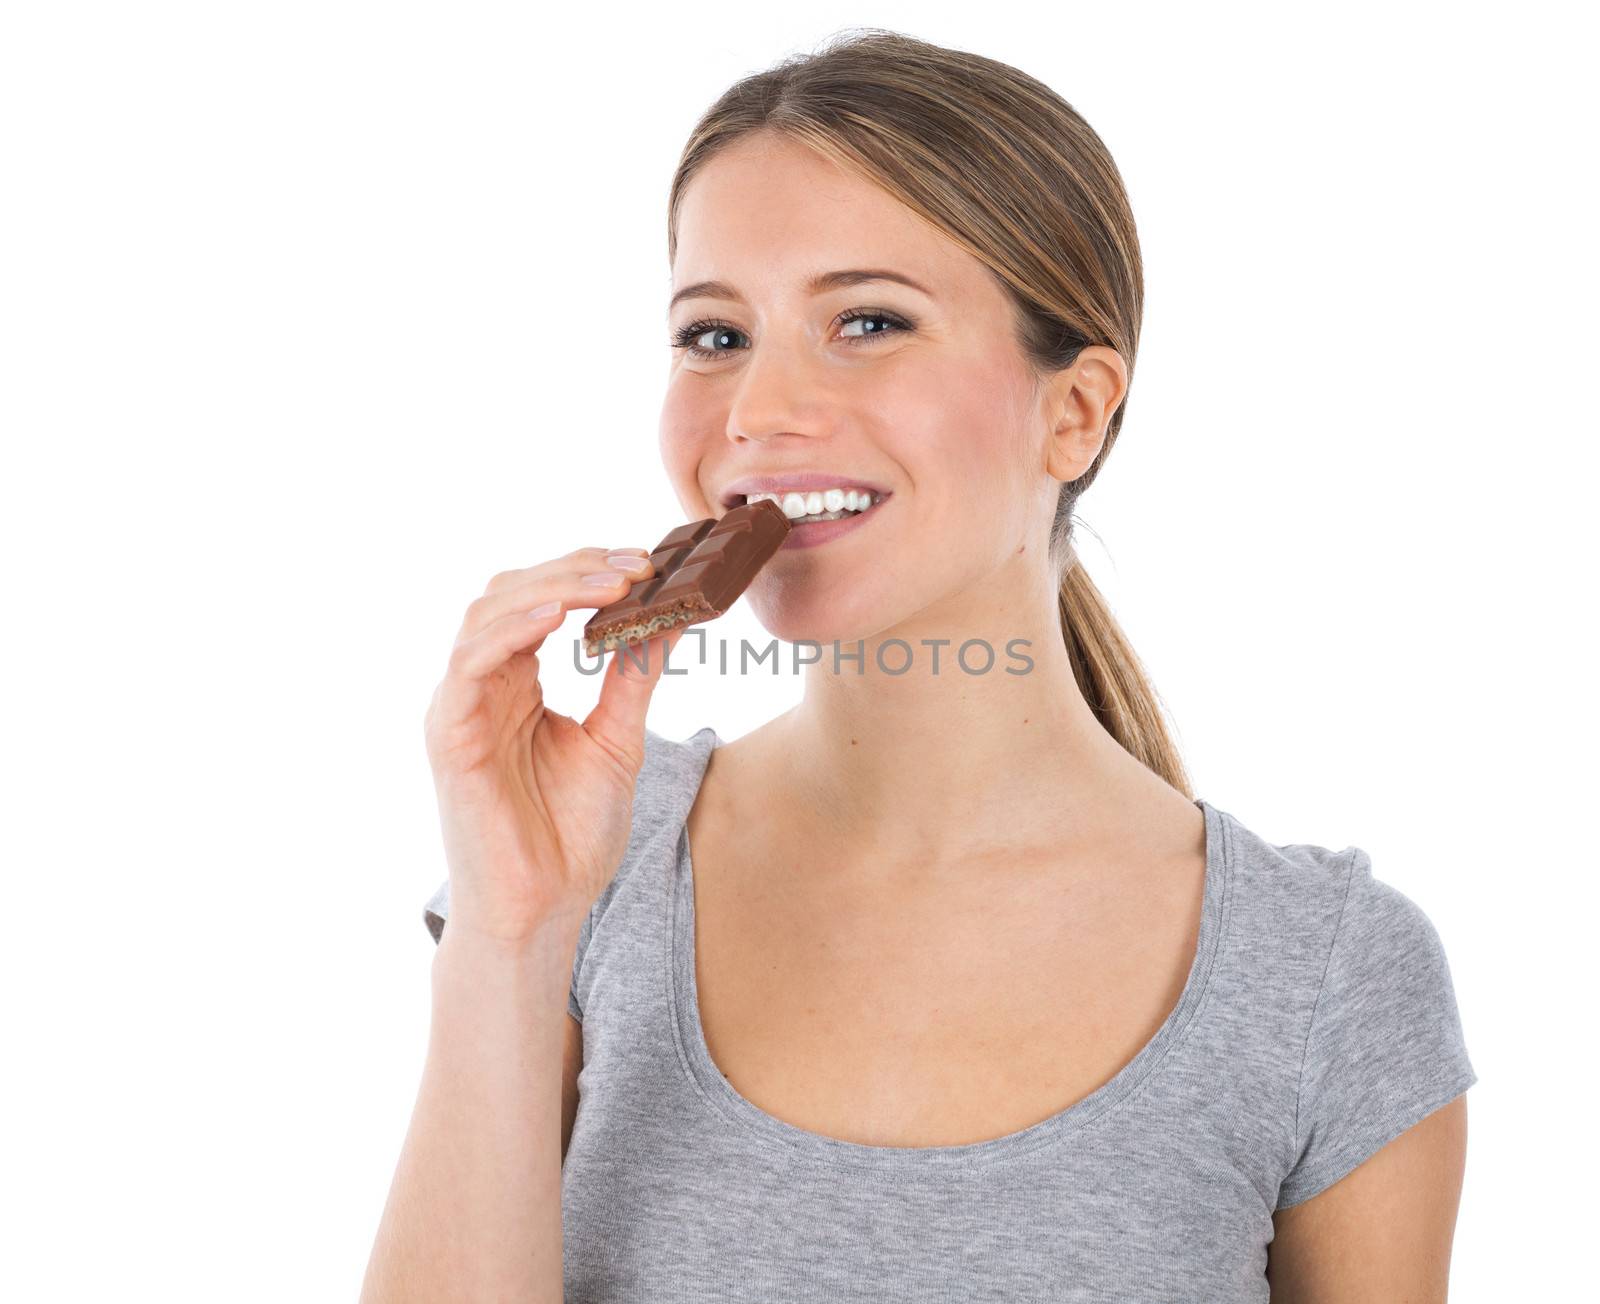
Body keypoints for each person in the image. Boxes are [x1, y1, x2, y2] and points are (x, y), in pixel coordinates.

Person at [360, 28, 1476, 1303]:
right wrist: (511, 932)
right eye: (714, 335)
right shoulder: (587, 875)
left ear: (1075, 411)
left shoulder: (1323, 973)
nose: (760, 411)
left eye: (868, 320)